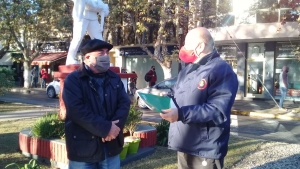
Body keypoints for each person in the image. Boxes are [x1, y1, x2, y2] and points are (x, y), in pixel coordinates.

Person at [160, 27, 238, 169]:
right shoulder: (188, 70)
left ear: (200, 46)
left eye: (186, 44)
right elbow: (174, 92)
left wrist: (181, 114)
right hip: (184, 143)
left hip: (205, 150)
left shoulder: (222, 70)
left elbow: (217, 110)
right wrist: (163, 100)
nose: (183, 48)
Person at [62, 39, 130, 169]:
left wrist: (114, 129)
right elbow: (76, 111)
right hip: (83, 148)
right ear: (87, 57)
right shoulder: (74, 80)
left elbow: (124, 103)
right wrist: (105, 129)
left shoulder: (114, 78)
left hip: (111, 146)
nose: (105, 56)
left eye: (107, 52)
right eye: (101, 53)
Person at [66, 0, 110, 65]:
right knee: (77, 38)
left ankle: (103, 60)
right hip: (82, 16)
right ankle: (70, 58)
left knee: (99, 40)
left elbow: (103, 9)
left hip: (93, 17)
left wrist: (103, 7)